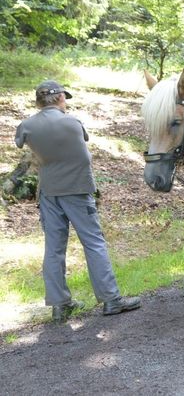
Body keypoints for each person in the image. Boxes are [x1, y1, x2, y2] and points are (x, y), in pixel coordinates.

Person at [14, 81, 142, 323]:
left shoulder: (27, 126)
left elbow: (20, 142)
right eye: (64, 98)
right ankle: (111, 299)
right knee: (93, 242)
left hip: (49, 192)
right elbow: (83, 142)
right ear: (60, 97)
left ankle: (60, 305)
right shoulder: (72, 123)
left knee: (53, 248)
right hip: (78, 190)